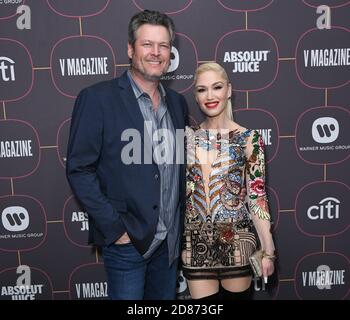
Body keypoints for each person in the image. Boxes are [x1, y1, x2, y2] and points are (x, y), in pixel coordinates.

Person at [66, 10, 188, 300]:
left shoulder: (178, 103)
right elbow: (79, 169)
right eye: (147, 44)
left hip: (168, 246)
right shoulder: (97, 98)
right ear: (131, 49)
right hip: (128, 244)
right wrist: (116, 229)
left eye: (163, 46)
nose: (156, 53)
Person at [182, 62, 276, 300]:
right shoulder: (186, 138)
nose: (210, 96)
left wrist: (268, 250)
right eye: (202, 90)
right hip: (196, 244)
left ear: (229, 90)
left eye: (217, 87)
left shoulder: (249, 139)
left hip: (237, 242)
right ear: (195, 95)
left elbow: (257, 197)